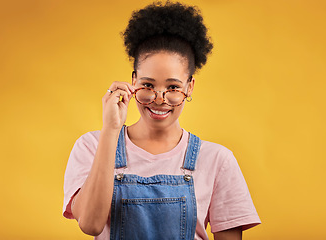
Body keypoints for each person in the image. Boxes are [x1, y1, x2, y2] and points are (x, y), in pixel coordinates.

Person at [63, 1, 261, 239]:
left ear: (190, 87)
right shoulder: (91, 146)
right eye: (147, 85)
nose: (159, 99)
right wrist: (110, 130)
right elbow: (91, 225)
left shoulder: (218, 160)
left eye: (173, 87)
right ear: (133, 81)